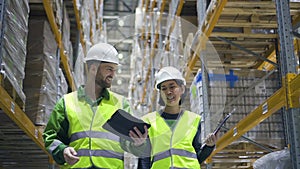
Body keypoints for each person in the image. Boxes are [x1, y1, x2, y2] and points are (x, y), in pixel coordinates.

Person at [43, 43, 131, 169]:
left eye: (114, 70)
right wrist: (62, 151)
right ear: (93, 68)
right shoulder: (67, 102)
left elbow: (130, 142)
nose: (113, 74)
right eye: (109, 69)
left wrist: (139, 143)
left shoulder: (121, 104)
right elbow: (50, 137)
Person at [121, 66, 217, 169]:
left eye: (172, 87)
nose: (168, 92)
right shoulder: (148, 121)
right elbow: (144, 159)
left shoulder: (194, 120)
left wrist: (209, 147)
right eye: (164, 88)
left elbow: (196, 157)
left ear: (182, 89)